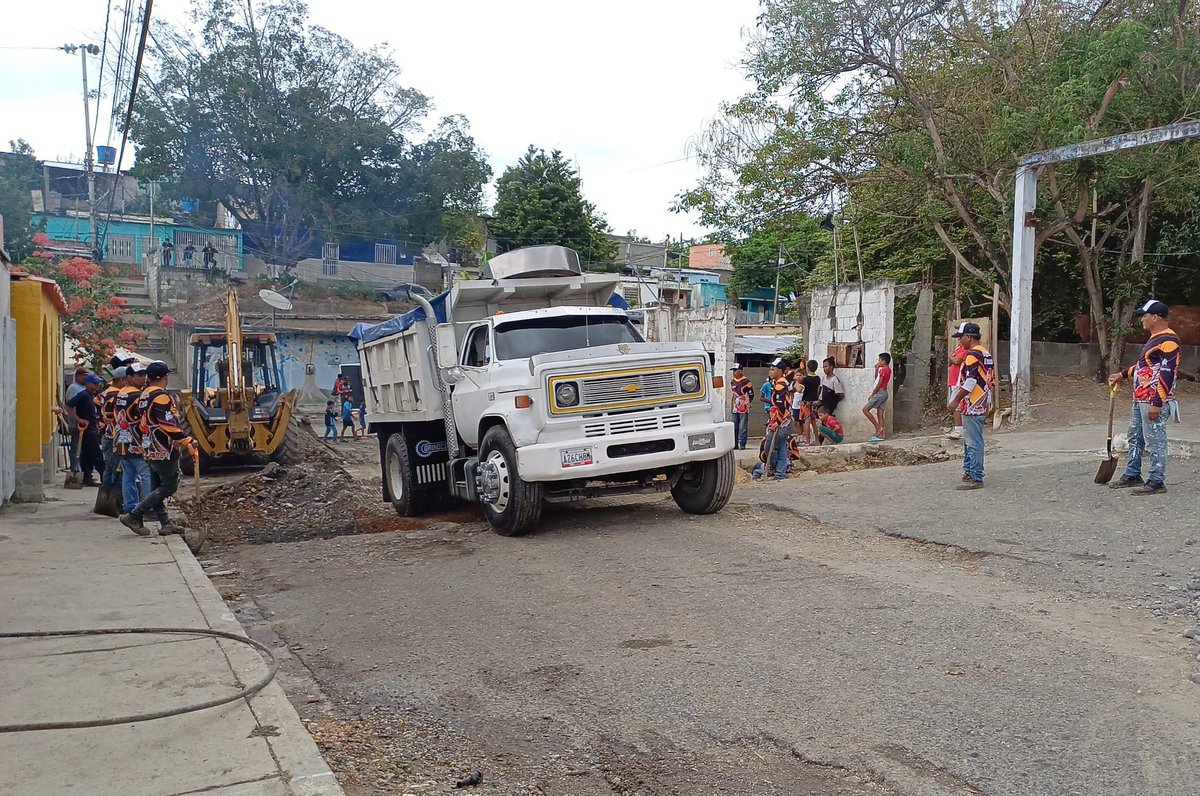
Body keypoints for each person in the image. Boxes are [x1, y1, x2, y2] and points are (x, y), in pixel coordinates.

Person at [120, 361, 203, 551]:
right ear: (166, 377)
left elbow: (135, 418)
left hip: (149, 446)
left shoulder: (143, 396)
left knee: (157, 486)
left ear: (148, 377)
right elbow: (168, 425)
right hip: (163, 448)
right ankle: (134, 515)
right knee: (169, 485)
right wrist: (186, 440)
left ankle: (165, 524)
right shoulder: (161, 397)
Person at [1108, 299, 1180, 495]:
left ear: (1155, 317)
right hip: (1141, 398)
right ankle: (1132, 474)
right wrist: (1122, 375)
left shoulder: (1169, 341)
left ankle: (1157, 481)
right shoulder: (1155, 338)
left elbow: (1167, 372)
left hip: (1152, 400)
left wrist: (1157, 403)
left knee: (1155, 439)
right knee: (1135, 437)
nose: (1142, 320)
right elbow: (1145, 366)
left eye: (1144, 316)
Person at [947, 323, 994, 490]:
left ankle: (976, 476)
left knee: (973, 442)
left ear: (969, 337)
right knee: (970, 440)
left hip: (973, 404)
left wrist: (955, 400)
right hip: (982, 402)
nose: (959, 341)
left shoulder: (972, 356)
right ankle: (969, 471)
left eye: (961, 337)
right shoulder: (985, 353)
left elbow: (971, 381)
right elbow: (989, 380)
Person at [114, 362, 151, 514]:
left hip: (121, 440)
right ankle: (149, 506)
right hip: (136, 441)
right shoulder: (138, 396)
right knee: (146, 474)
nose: (144, 378)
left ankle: (129, 507)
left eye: (144, 375)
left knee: (128, 475)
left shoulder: (121, 393)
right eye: (139, 375)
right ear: (129, 377)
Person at [69, 374, 106, 486]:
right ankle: (105, 479)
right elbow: (68, 406)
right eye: (95, 383)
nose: (98, 385)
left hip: (92, 428)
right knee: (97, 455)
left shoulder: (92, 395)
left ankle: (87, 477)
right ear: (88, 384)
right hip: (87, 430)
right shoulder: (83, 395)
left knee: (86, 455)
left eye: (98, 383)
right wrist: (78, 419)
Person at [761, 360, 793, 480]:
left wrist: (776, 422)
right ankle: (780, 472)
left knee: (771, 446)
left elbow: (781, 406)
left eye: (773, 369)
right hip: (784, 421)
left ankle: (776, 470)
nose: (770, 371)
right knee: (782, 446)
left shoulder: (780, 385)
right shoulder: (781, 383)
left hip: (782, 422)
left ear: (780, 371)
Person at [863, 352, 892, 442]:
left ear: (884, 361)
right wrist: (876, 369)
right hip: (883, 393)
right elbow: (877, 379)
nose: (878, 361)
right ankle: (880, 436)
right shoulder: (885, 370)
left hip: (880, 393)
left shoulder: (884, 370)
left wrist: (873, 393)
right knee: (880, 414)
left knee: (865, 409)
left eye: (880, 360)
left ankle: (878, 427)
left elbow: (879, 383)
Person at [947, 337, 968, 440]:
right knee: (956, 405)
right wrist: (952, 358)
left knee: (955, 405)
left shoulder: (964, 349)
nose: (959, 339)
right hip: (953, 381)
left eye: (960, 337)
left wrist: (951, 357)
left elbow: (956, 360)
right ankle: (959, 427)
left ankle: (959, 429)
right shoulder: (958, 348)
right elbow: (951, 362)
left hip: (958, 380)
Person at [798, 359, 822, 445]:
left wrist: (797, 382)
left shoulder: (806, 379)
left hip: (806, 401)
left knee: (807, 421)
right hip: (814, 401)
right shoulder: (818, 378)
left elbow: (799, 390)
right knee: (813, 421)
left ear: (807, 368)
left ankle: (807, 441)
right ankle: (817, 440)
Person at [729, 364, 753, 450]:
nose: (734, 372)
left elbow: (751, 394)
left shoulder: (747, 381)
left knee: (743, 426)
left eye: (735, 370)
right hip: (735, 405)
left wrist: (749, 403)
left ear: (740, 371)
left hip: (744, 405)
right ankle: (734, 444)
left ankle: (742, 443)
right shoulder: (733, 381)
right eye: (733, 371)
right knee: (734, 425)